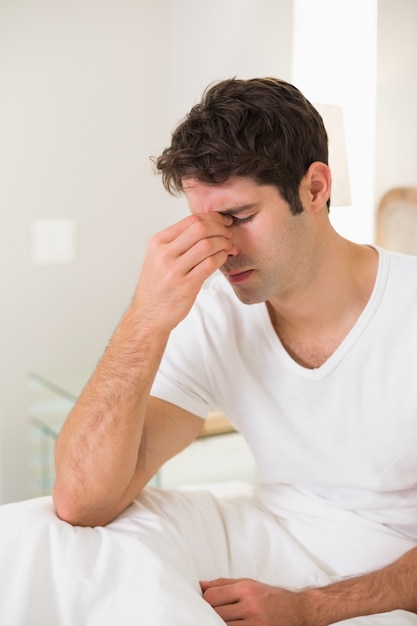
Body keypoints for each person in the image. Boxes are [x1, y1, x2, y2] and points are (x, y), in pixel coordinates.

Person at [1, 77, 417, 626]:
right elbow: (82, 501)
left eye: (240, 218)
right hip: (269, 527)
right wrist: (145, 317)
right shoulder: (215, 310)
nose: (221, 251)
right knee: (36, 534)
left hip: (386, 564)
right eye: (204, 224)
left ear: (315, 189)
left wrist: (308, 608)